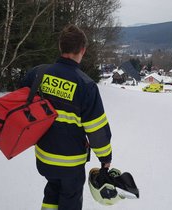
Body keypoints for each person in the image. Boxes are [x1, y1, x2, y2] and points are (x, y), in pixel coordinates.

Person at [21, 24, 112, 210]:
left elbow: (22, 103)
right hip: (71, 163)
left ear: (60, 47)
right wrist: (105, 158)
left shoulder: (37, 73)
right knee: (70, 199)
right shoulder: (86, 85)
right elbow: (96, 129)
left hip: (44, 157)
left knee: (52, 191)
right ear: (83, 50)